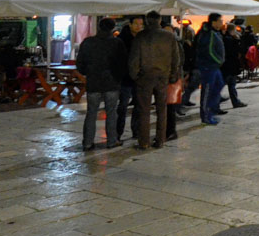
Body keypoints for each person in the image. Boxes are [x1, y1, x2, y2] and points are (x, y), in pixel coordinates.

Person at [128, 10, 182, 149]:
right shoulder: (168, 36)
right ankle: (160, 140)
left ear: (147, 21)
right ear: (159, 21)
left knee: (144, 110)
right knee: (161, 109)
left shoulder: (141, 36)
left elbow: (134, 59)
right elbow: (175, 58)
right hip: (162, 76)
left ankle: (144, 141)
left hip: (145, 77)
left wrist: (135, 75)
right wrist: (173, 74)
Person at [75, 17, 126, 150]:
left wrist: (89, 73)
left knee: (91, 113)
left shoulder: (88, 42)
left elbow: (80, 63)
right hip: (112, 83)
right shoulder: (117, 43)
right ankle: (111, 140)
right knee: (111, 112)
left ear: (99, 27)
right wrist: (118, 77)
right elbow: (123, 64)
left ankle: (87, 142)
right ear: (113, 28)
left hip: (93, 82)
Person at [115, 15, 144, 143]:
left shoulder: (142, 39)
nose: (139, 26)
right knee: (122, 107)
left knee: (138, 106)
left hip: (138, 78)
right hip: (125, 78)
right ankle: (118, 133)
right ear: (130, 24)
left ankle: (136, 131)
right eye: (136, 24)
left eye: (141, 24)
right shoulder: (121, 40)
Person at [195, 12, 226, 125]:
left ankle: (212, 109)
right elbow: (208, 51)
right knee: (207, 90)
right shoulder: (208, 33)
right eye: (220, 21)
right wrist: (218, 61)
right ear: (214, 22)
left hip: (214, 66)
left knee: (219, 84)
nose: (222, 23)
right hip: (208, 66)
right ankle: (206, 115)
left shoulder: (215, 32)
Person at [221, 23, 248, 109]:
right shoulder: (231, 40)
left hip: (225, 65)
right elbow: (236, 51)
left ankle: (235, 101)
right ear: (233, 30)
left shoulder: (224, 38)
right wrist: (237, 40)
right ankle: (235, 102)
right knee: (230, 84)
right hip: (231, 65)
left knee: (228, 84)